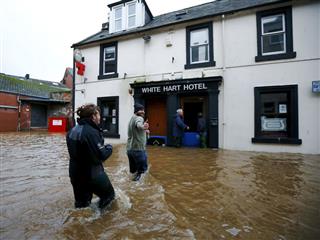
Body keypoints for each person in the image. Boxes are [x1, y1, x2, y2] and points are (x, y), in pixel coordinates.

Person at [66, 103, 115, 209]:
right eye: (98, 115)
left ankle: (82, 224)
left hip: (75, 175)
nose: (100, 117)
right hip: (92, 174)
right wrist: (110, 148)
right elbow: (101, 155)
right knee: (109, 197)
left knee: (81, 205)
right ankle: (101, 223)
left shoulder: (72, 130)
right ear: (93, 116)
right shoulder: (91, 132)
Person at [127, 103, 149, 181]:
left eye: (143, 110)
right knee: (142, 173)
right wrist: (143, 127)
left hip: (130, 150)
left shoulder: (131, 119)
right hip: (138, 149)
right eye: (141, 110)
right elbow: (138, 124)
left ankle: (131, 188)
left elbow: (136, 129)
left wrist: (145, 130)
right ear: (137, 111)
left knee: (133, 172)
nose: (143, 112)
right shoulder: (139, 118)